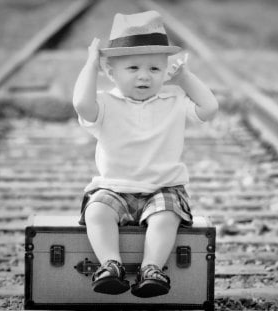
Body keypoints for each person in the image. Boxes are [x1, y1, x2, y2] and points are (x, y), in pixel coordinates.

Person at [72, 10, 218, 298]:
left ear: (166, 72)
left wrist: (185, 78)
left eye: (154, 69)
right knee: (97, 211)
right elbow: (80, 103)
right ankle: (110, 265)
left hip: (162, 187)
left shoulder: (174, 100)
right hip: (114, 187)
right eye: (133, 68)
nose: (144, 76)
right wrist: (91, 64)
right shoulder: (104, 105)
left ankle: (151, 269)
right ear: (111, 72)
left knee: (166, 216)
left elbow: (209, 108)